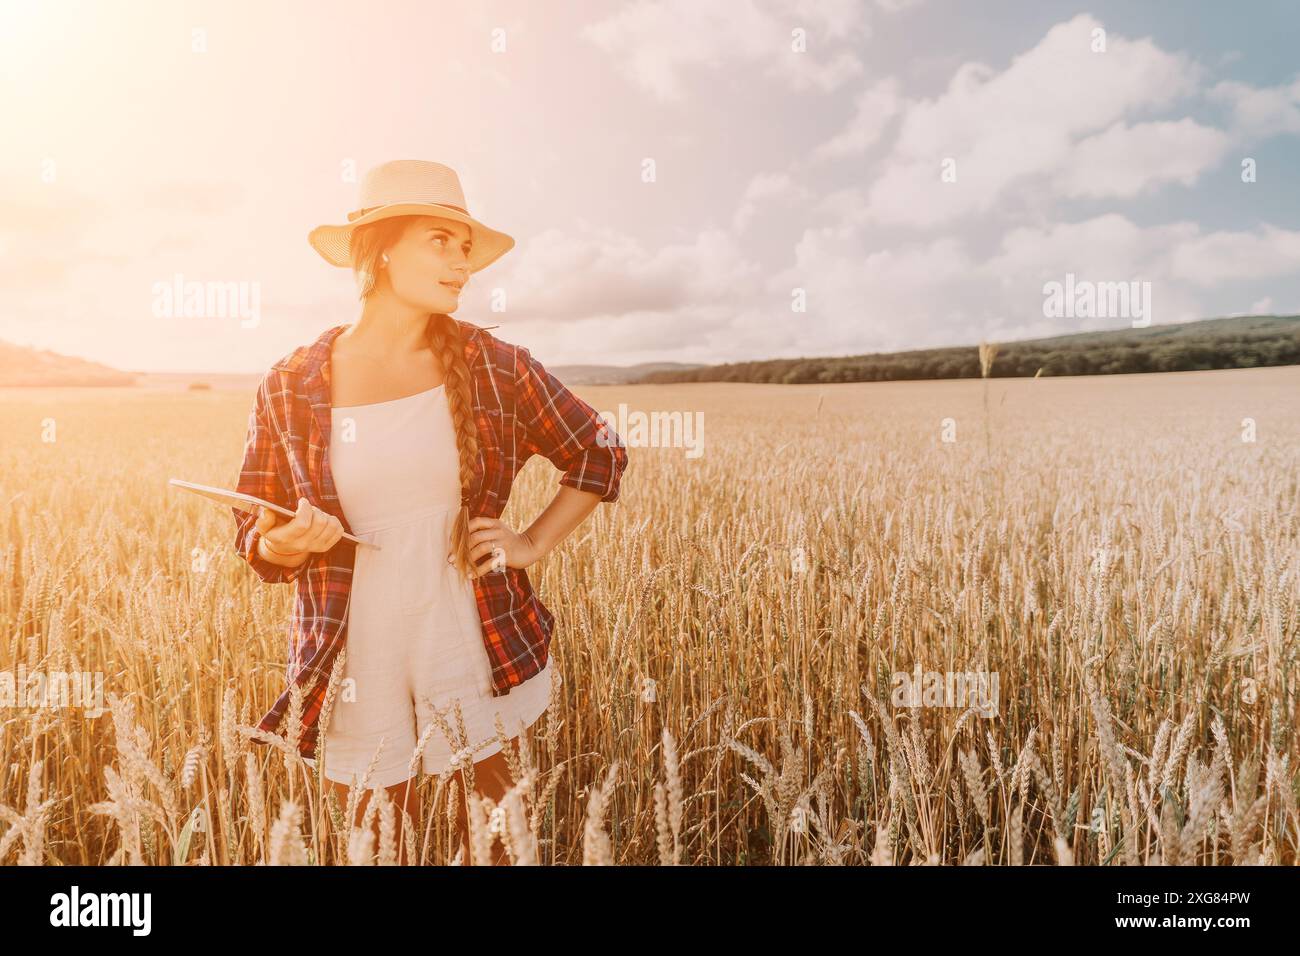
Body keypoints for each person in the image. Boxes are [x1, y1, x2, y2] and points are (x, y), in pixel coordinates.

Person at [231, 160, 629, 863]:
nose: (461, 264)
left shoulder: (494, 364)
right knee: (380, 847)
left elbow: (599, 451)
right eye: (440, 241)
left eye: (465, 247)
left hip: (467, 628)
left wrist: (531, 542)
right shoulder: (290, 384)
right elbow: (253, 531)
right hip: (357, 648)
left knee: (504, 841)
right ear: (381, 247)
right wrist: (288, 545)